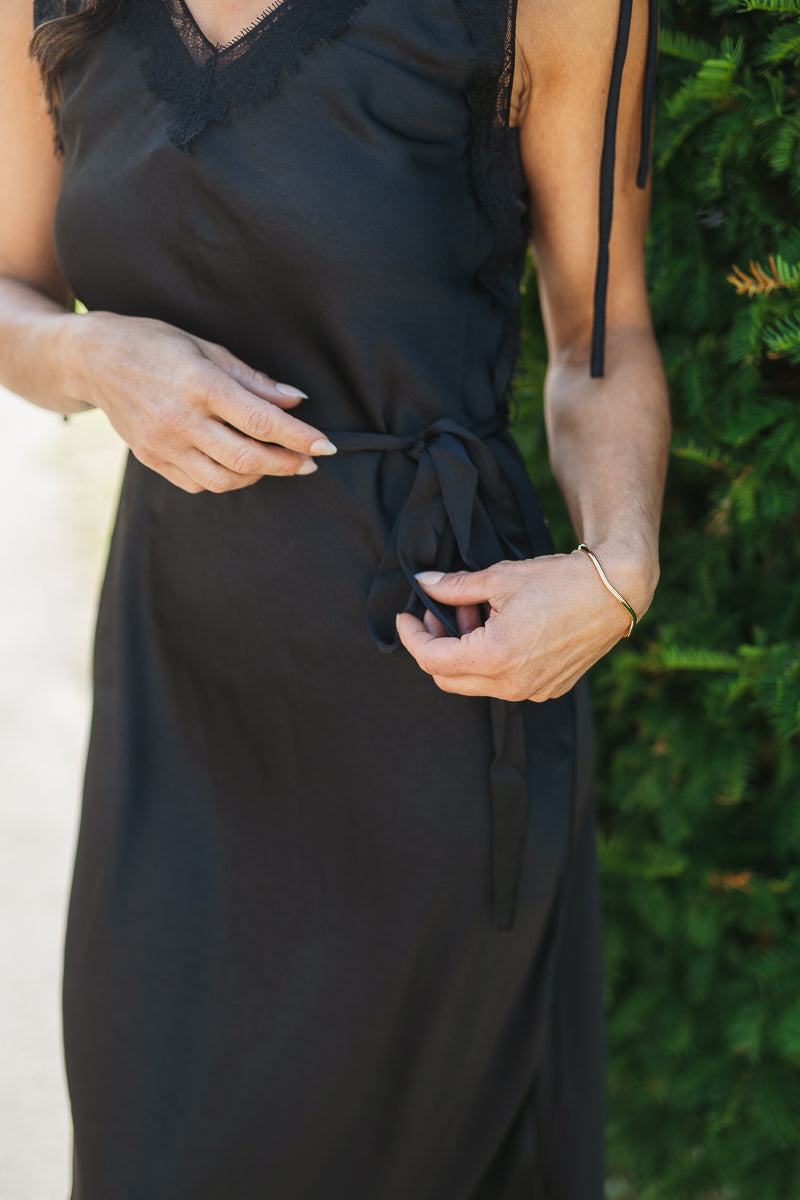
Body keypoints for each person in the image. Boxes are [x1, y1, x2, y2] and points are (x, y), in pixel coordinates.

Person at [0, 0, 670, 1195]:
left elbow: (598, 332)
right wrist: (95, 359)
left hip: (431, 694)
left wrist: (617, 566)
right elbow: (13, 292)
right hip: (176, 683)